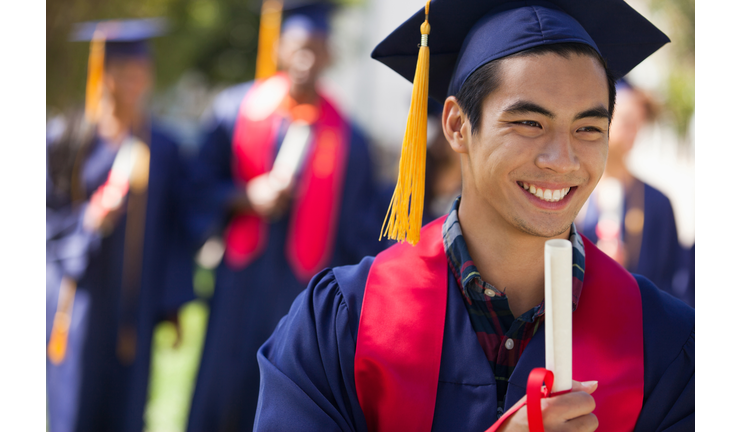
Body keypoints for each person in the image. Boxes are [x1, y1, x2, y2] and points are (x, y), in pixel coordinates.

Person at [254, 1, 694, 431]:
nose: (562, 160)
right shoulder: (340, 323)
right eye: (528, 123)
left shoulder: (666, 345)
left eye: (588, 129)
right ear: (457, 126)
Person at [185, 3, 389, 431]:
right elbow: (198, 186)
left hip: (301, 289)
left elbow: (361, 227)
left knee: (284, 386)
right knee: (222, 386)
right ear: (279, 49)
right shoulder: (235, 111)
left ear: (330, 55)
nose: (306, 59)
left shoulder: (348, 139)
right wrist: (244, 196)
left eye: (316, 49)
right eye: (298, 48)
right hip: (238, 283)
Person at [46, 18, 195, 432]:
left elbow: (174, 229)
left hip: (137, 300)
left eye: (140, 73)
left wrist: (172, 302)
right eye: (124, 73)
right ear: (104, 74)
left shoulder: (162, 147)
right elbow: (43, 216)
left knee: (129, 408)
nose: (134, 83)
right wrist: (89, 221)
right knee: (75, 401)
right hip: (80, 299)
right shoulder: (67, 138)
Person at [575, 79, 691, 304]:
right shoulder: (570, 194)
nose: (634, 132)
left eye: (638, 124)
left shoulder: (658, 203)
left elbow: (674, 281)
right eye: (627, 122)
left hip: (641, 323)